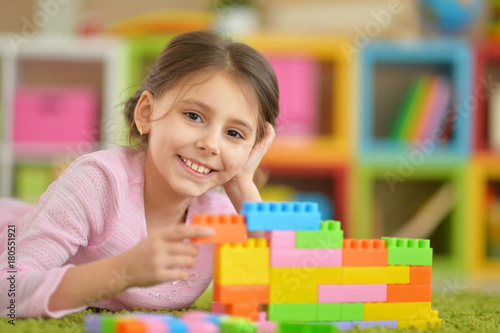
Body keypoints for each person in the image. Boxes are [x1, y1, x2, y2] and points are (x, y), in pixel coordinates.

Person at [0, 30, 279, 318]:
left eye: (234, 133)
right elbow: (7, 291)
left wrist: (243, 184)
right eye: (193, 116)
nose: (210, 144)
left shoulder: (221, 216)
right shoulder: (97, 184)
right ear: (147, 112)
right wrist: (123, 271)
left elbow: (281, 301)